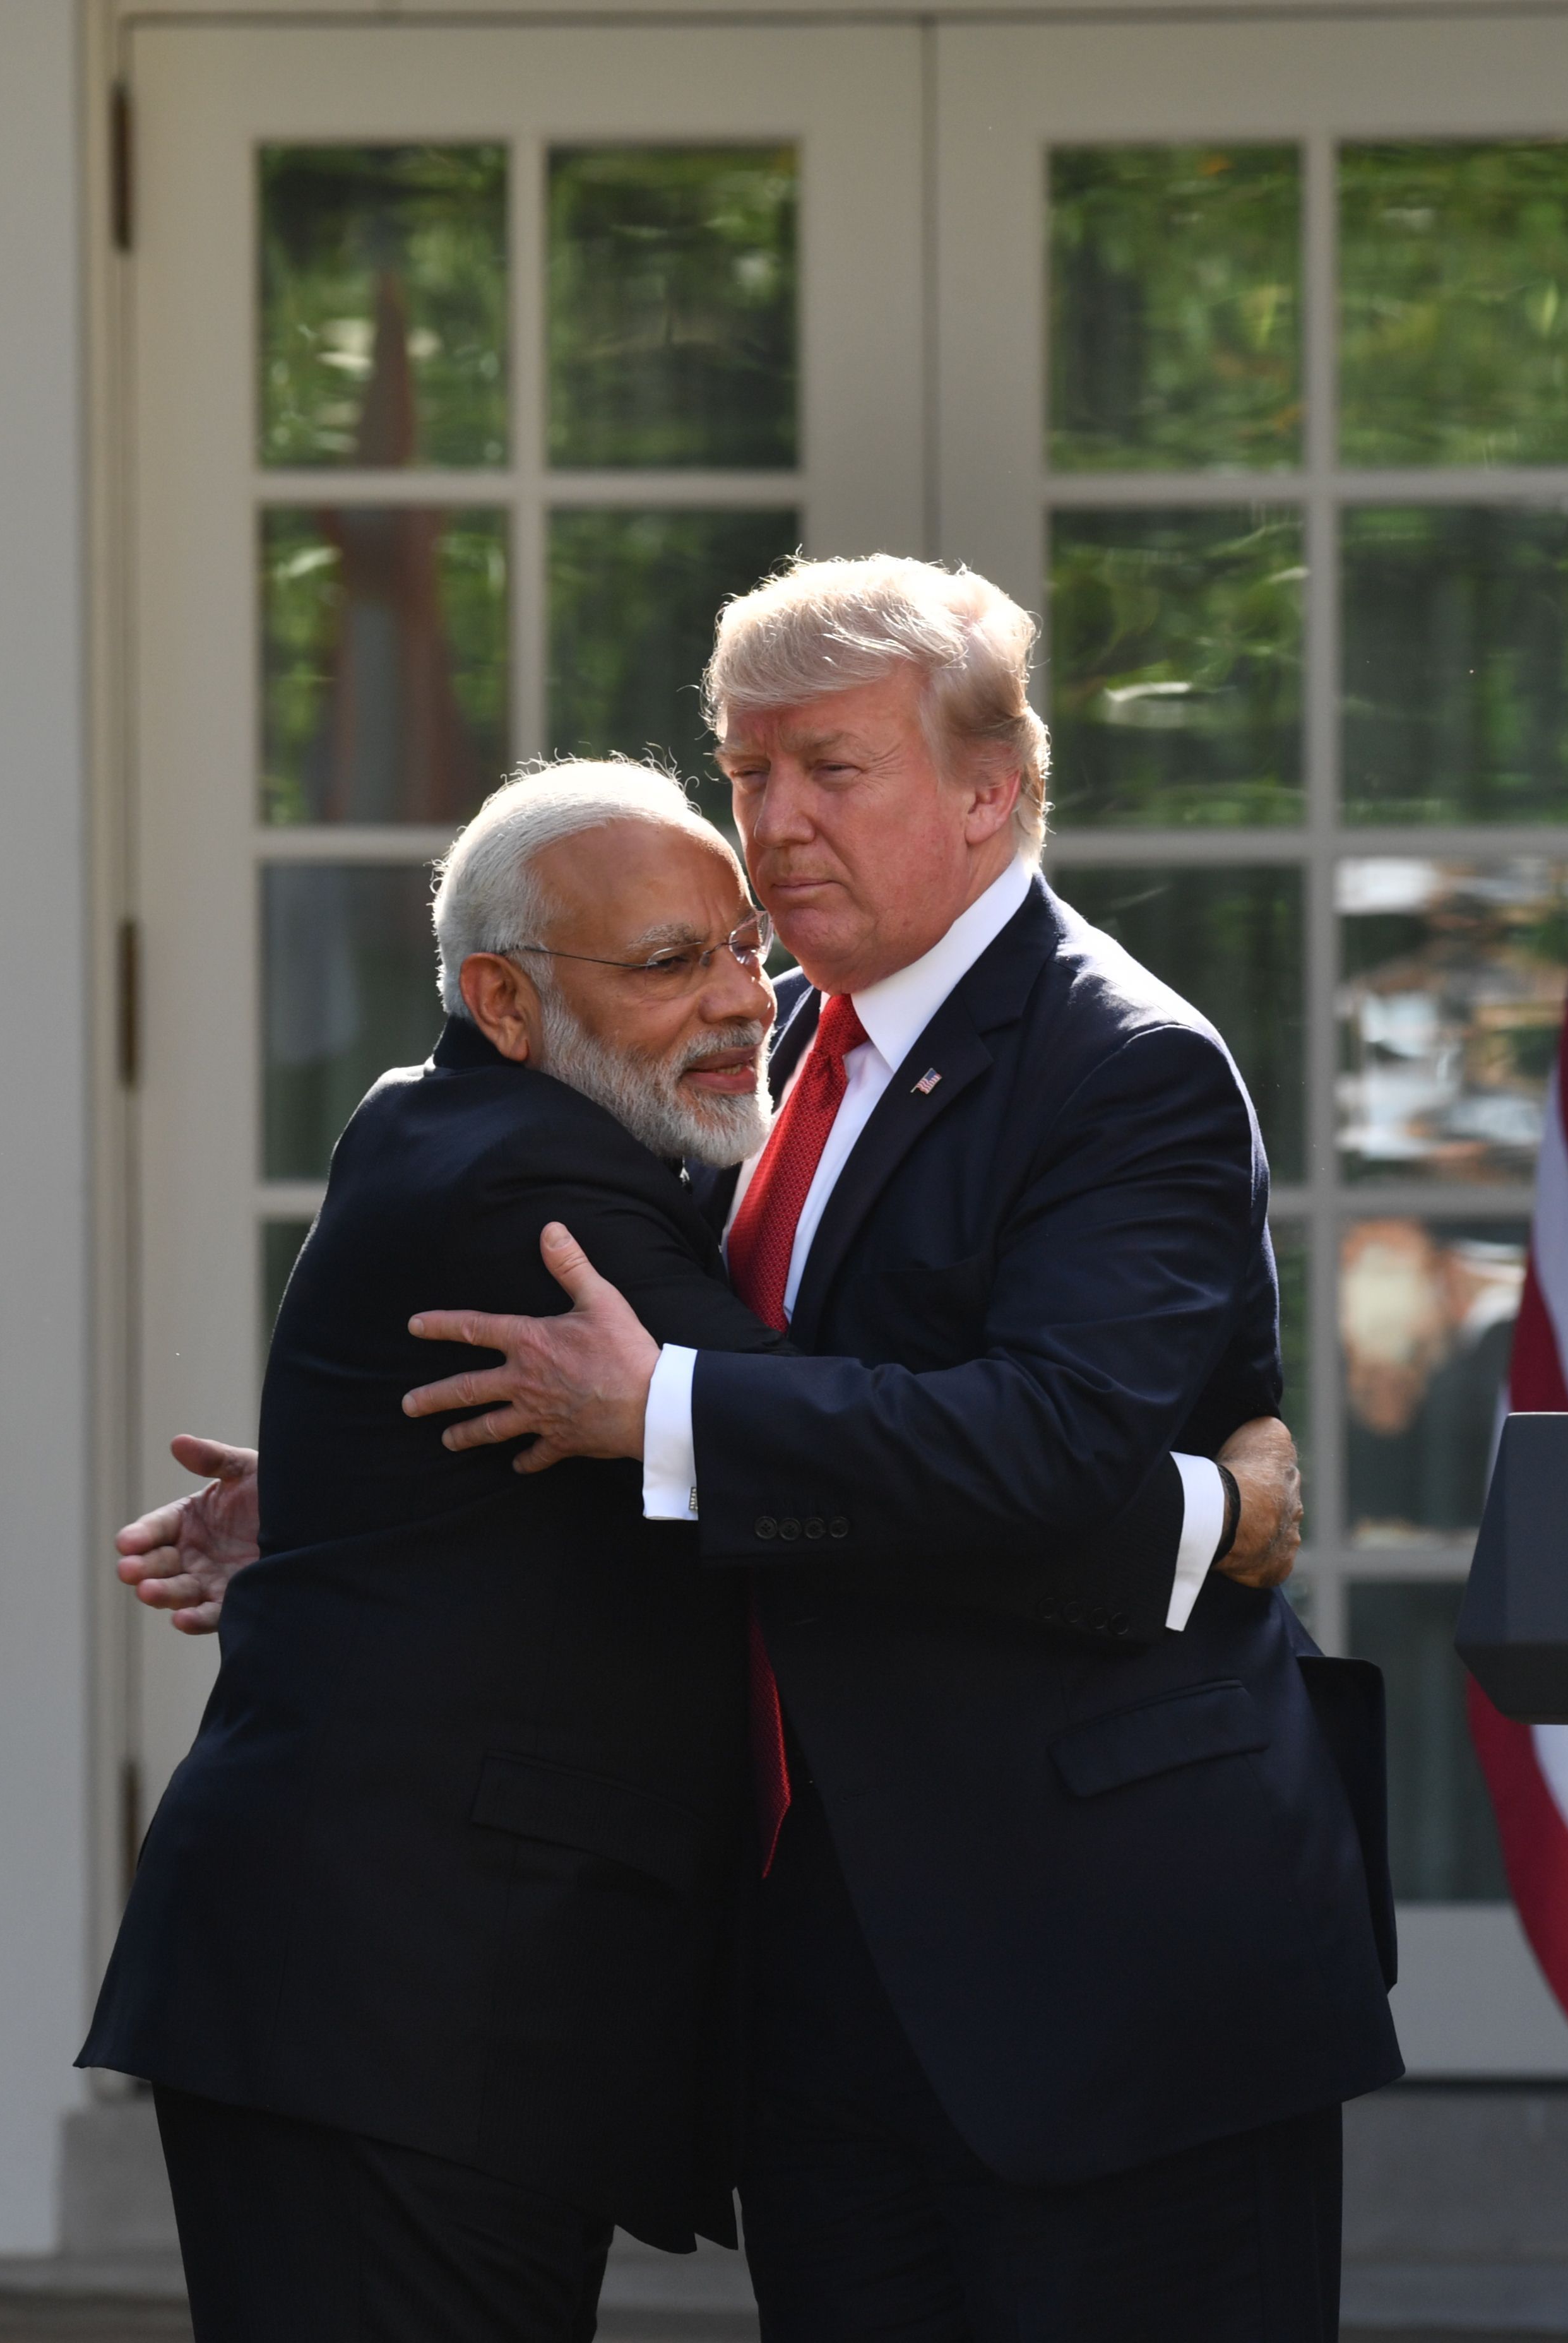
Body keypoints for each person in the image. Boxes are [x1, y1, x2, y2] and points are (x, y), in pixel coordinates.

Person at [84, 760, 1302, 2340]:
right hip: (397, 2007)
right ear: (505, 1001)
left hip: (417, 2004)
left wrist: (340, 1504)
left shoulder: (495, 1117)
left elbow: (678, 1463)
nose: (746, 1002)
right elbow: (795, 1435)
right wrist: (1210, 1515)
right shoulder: (529, 1178)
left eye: (747, 946)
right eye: (673, 965)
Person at [393, 557, 1401, 2340]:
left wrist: (670, 1415)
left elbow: (1051, 1437)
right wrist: (339, 1502)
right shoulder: (771, 1047)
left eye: (830, 771)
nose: (772, 828)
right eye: (746, 772)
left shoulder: (1126, 1065)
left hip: (1102, 1982)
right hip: (822, 1962)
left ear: (990, 794)